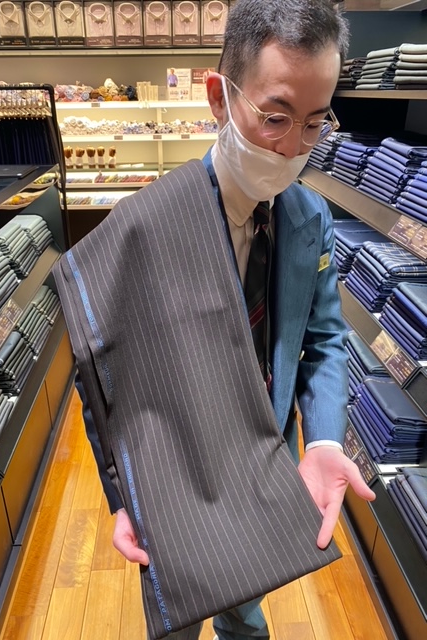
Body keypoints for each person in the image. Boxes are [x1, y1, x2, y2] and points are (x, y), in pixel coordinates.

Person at [61, 1, 376, 638]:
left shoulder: (307, 218)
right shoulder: (149, 228)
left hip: (262, 454)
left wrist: (321, 440)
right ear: (219, 97)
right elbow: (105, 373)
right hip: (178, 469)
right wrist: (125, 493)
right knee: (179, 617)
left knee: (246, 608)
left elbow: (323, 339)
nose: (293, 147)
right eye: (275, 117)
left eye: (316, 122)